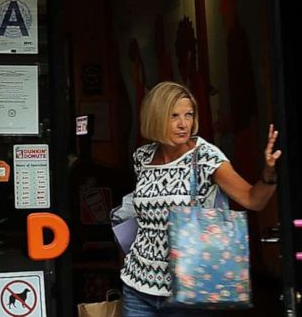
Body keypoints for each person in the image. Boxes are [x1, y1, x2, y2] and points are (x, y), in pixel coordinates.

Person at [119, 81, 282, 316]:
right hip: (138, 286)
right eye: (174, 116)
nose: (183, 124)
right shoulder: (142, 157)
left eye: (189, 115)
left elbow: (253, 200)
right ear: (155, 117)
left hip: (188, 289)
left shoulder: (206, 157)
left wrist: (268, 172)